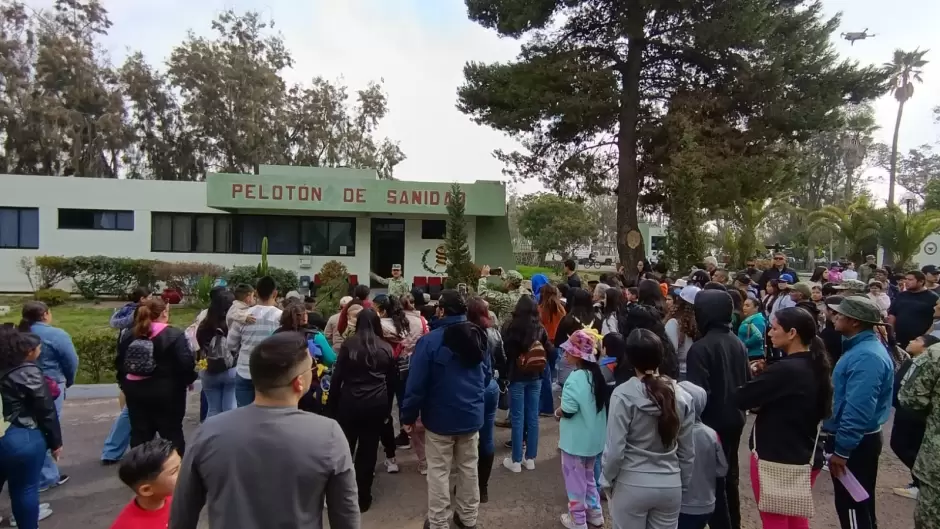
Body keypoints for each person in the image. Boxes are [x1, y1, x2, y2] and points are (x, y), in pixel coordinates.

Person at [168, 332, 359, 529]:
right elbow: (346, 514)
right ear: (299, 382)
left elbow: (182, 513)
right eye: (311, 367)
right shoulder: (328, 434)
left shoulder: (209, 432)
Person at [736, 307, 832, 529]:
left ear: (792, 333)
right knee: (796, 519)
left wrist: (752, 375)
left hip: (776, 458)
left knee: (775, 520)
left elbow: (741, 398)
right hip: (806, 455)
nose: (769, 332)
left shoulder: (786, 370)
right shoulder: (816, 364)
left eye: (775, 328)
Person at [401, 290, 488, 529]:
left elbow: (416, 384)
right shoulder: (479, 335)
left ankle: (439, 522)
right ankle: (468, 518)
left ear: (441, 310)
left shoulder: (429, 341)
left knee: (438, 471)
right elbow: (487, 374)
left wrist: (408, 416)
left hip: (439, 418)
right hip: (471, 415)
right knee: (469, 467)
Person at [603, 329, 695, 529]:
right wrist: (682, 483)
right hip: (670, 484)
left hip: (631, 482)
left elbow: (615, 450)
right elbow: (687, 451)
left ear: (630, 358)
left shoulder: (623, 395)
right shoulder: (682, 395)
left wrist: (606, 480)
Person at [824, 296, 895, 529]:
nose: (834, 317)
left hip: (857, 444)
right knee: (858, 506)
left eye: (839, 314)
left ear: (854, 322)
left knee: (853, 508)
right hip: (857, 440)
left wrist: (843, 450)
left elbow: (858, 408)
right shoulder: (859, 347)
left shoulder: (866, 356)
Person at [685, 289, 750, 529]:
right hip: (735, 419)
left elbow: (697, 396)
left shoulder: (701, 348)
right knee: (730, 477)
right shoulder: (738, 343)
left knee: (713, 483)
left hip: (712, 425)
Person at [324, 308, 395, 511]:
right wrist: (387, 410)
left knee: (345, 449)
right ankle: (363, 497)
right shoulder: (385, 348)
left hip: (350, 402)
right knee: (368, 450)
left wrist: (331, 407)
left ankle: (340, 495)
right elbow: (391, 383)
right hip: (376, 404)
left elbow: (337, 379)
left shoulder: (349, 345)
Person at [0, 328, 62, 528]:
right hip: (20, 435)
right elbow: (46, 410)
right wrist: (56, 442)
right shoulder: (27, 372)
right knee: (24, 489)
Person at [117, 298, 196, 454]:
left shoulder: (130, 335)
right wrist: (188, 380)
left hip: (135, 392)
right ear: (164, 313)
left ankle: (141, 474)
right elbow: (186, 363)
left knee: (140, 434)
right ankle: (174, 471)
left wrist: (124, 385)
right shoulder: (174, 334)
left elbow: (120, 363)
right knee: (172, 434)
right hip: (168, 393)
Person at [17, 301, 76, 491]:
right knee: (46, 428)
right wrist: (68, 380)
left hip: (19, 384)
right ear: (45, 314)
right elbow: (71, 361)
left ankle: (42, 473)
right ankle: (44, 477)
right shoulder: (56, 334)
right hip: (50, 386)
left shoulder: (18, 333)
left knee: (29, 427)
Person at [554, 330, 608, 529]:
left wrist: (557, 412)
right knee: (589, 478)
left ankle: (577, 519)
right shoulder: (596, 376)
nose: (565, 354)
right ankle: (595, 513)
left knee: (574, 482)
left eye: (568, 351)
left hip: (575, 441)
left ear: (578, 355)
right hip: (593, 440)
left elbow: (568, 410)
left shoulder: (575, 378)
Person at [502, 295, 554, 472]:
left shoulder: (511, 327)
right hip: (536, 375)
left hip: (517, 376)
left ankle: (515, 460)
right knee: (532, 417)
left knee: (517, 417)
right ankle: (530, 458)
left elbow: (506, 352)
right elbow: (549, 349)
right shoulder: (539, 328)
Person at [101, 286, 152, 465]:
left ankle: (114, 450)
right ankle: (117, 451)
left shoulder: (128, 329)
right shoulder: (147, 332)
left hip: (129, 377)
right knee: (131, 412)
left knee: (130, 412)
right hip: (141, 381)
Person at [891, 334, 940, 500]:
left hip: (914, 416)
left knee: (906, 446)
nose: (911, 341)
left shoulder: (928, 361)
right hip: (906, 411)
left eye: (918, 340)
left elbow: (915, 397)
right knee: (901, 445)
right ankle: (918, 482)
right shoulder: (913, 360)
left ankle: (920, 483)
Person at [467, 296, 505, 503]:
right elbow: (502, 358)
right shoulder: (494, 333)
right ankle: (483, 488)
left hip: (473, 387)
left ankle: (468, 484)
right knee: (487, 436)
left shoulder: (464, 334)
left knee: (468, 439)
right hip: (491, 386)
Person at [677, 381, 727, 529]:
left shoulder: (676, 434)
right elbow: (722, 469)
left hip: (683, 505)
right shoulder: (711, 434)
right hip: (707, 503)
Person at [228, 276, 283, 407]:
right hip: (271, 375)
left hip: (244, 370)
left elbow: (230, 344)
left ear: (256, 292)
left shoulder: (243, 316)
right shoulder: (281, 317)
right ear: (275, 293)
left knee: (245, 415)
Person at [110, 439, 180, 529]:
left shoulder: (177, 499)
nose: (184, 471)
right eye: (174, 471)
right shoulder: (127, 525)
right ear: (146, 490)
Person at [195, 290, 238, 418]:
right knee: (229, 409)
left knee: (213, 409)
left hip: (208, 370)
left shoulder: (204, 325)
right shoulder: (233, 325)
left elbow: (199, 344)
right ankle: (228, 437)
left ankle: (211, 435)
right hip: (230, 370)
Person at [889, 270, 940, 349]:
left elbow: (936, 321)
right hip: (898, 341)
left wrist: (924, 338)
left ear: (921, 281)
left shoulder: (933, 297)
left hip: (919, 344)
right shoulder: (902, 295)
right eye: (906, 279)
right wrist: (891, 333)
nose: (906, 282)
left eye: (910, 280)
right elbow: (892, 314)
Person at [665, 286, 698, 381]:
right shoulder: (695, 323)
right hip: (690, 371)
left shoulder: (674, 323)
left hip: (678, 373)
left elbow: (670, 351)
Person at [737, 296, 767, 361]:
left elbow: (758, 336)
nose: (744, 308)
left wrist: (744, 345)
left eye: (747, 306)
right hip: (747, 353)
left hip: (754, 355)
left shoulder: (757, 319)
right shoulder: (748, 319)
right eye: (744, 305)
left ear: (756, 308)